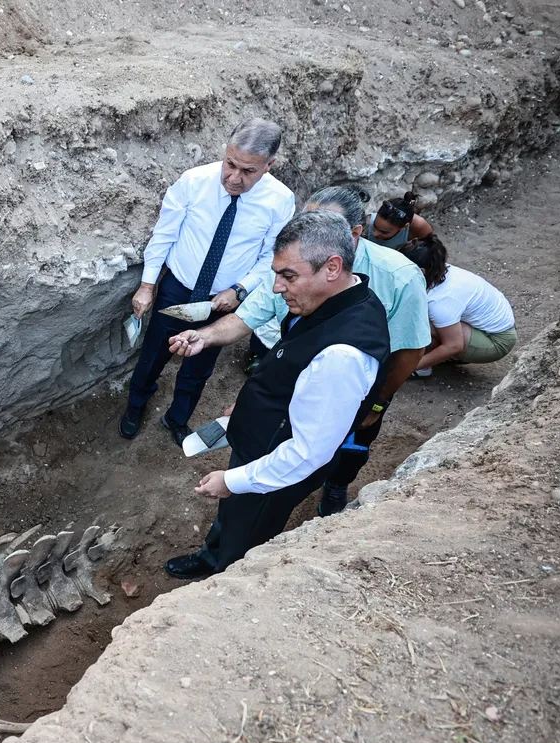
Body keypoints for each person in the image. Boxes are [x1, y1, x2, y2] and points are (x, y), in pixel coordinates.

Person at [162, 210, 391, 580]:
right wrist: (250, 407)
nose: (276, 287)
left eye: (288, 276)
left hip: (275, 466)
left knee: (247, 531)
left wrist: (231, 481)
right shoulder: (337, 301)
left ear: (332, 267)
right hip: (262, 440)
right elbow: (294, 373)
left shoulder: (342, 357)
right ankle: (212, 555)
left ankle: (223, 578)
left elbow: (306, 453)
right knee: (234, 516)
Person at [182, 185, 430, 516]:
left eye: (323, 224)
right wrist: (205, 337)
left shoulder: (398, 278)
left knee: (345, 447)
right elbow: (248, 317)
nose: (309, 233)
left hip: (357, 394)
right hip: (294, 385)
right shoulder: (296, 264)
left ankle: (335, 486)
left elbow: (409, 352)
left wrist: (377, 404)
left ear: (353, 235)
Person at [119, 117, 296, 445]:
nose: (234, 178)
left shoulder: (280, 200)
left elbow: (270, 258)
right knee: (153, 355)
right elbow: (164, 234)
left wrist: (240, 289)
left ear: (269, 165)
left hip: (222, 301)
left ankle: (177, 418)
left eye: (248, 171)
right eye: (231, 164)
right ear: (226, 151)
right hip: (177, 289)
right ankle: (135, 405)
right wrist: (147, 285)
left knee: (199, 365)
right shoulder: (194, 181)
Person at [398, 235, 518, 375]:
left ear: (420, 271)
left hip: (496, 341)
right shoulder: (438, 270)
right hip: (489, 327)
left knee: (418, 320)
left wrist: (406, 368)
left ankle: (421, 367)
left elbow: (454, 345)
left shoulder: (439, 300)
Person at [365, 191, 433, 249]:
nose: (375, 234)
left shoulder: (418, 226)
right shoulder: (366, 224)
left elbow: (433, 249)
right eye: (374, 226)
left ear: (404, 227)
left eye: (384, 232)